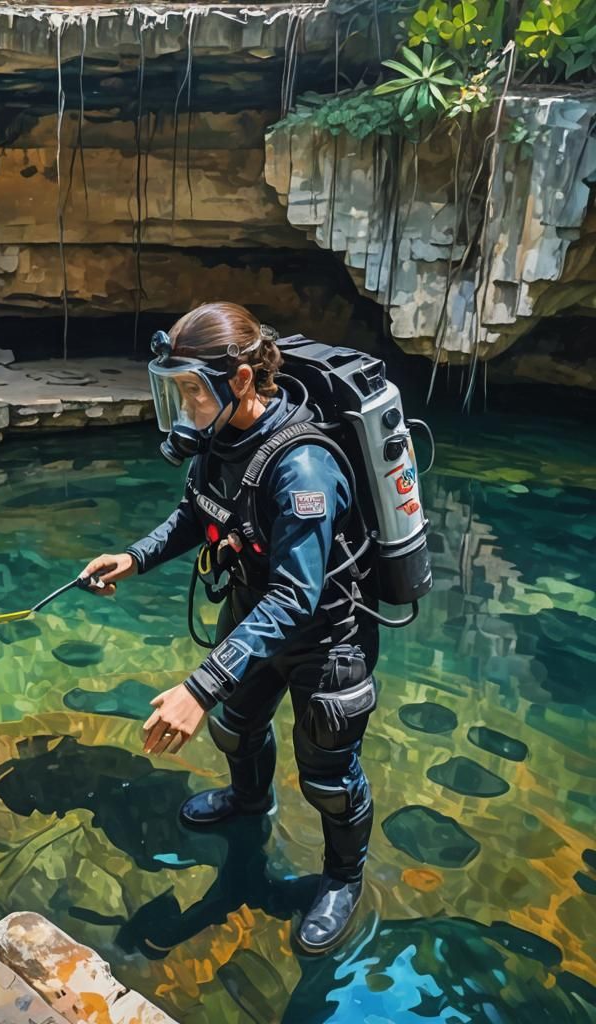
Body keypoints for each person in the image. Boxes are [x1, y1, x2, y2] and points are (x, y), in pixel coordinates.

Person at [81, 302, 379, 955]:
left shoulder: (302, 469)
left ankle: (343, 878)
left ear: (241, 380)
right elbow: (197, 513)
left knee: (327, 777)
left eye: (193, 390)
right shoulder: (217, 438)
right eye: (178, 392)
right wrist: (135, 557)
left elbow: (297, 595)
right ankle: (249, 805)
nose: (186, 406)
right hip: (251, 615)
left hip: (324, 638)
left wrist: (199, 685)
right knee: (234, 726)